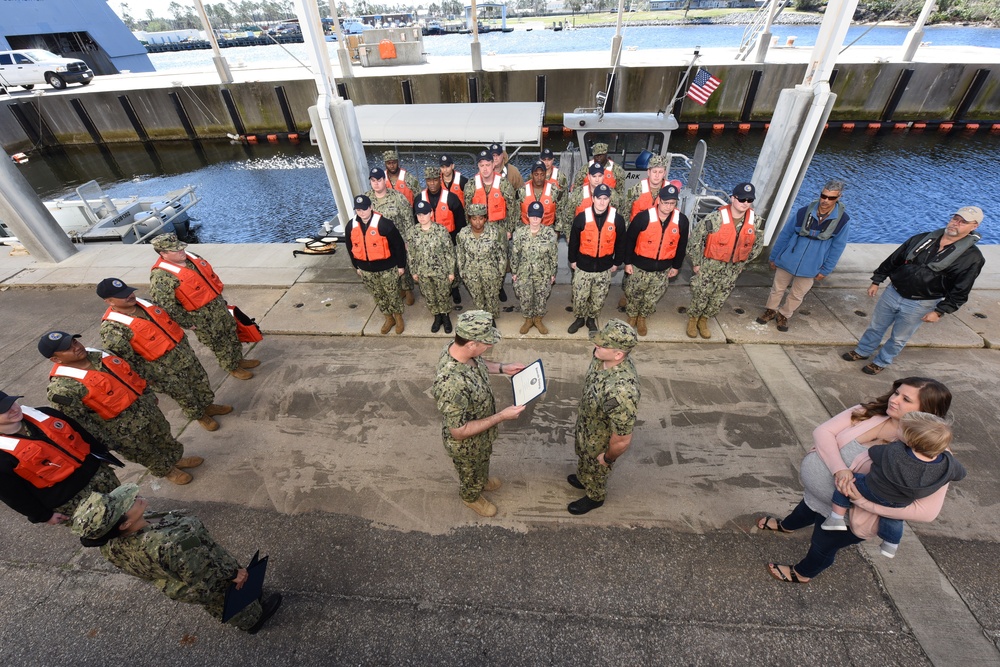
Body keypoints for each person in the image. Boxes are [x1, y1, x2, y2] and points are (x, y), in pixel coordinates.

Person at [757, 377, 953, 583]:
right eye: (896, 393)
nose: (894, 400)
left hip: (848, 518)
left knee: (822, 545)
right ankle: (787, 526)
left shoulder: (933, 454)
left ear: (926, 410)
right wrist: (839, 469)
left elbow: (927, 512)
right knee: (803, 511)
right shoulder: (873, 411)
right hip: (816, 496)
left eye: (906, 399)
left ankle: (803, 573)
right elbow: (823, 431)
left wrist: (864, 503)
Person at [72, 484, 283, 633]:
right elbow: (205, 575)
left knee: (224, 597)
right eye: (129, 504)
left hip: (175, 579)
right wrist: (234, 574)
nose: (135, 497)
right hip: (203, 578)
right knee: (227, 598)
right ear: (124, 524)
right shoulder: (171, 542)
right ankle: (253, 621)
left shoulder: (109, 543)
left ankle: (248, 603)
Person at [41, 331, 203, 485]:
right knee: (145, 452)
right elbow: (81, 423)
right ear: (56, 360)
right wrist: (108, 441)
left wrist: (147, 395)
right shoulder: (61, 389)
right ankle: (167, 470)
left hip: (145, 409)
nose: (76, 347)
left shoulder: (102, 354)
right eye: (68, 348)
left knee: (164, 435)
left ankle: (176, 458)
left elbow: (130, 374)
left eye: (74, 341)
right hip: (123, 431)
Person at [842, 206, 985, 375]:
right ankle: (863, 351)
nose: (956, 223)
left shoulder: (972, 258)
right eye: (955, 218)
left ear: (974, 226)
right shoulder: (922, 238)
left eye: (963, 222)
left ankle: (881, 361)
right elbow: (895, 259)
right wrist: (877, 280)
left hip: (921, 303)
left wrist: (940, 311)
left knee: (899, 338)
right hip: (893, 292)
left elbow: (961, 290)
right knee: (875, 326)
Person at [821, 411, 965, 558]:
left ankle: (836, 517)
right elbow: (961, 474)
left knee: (848, 482)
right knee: (894, 518)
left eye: (900, 430)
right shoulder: (949, 464)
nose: (897, 430)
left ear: (910, 441)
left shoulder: (895, 451)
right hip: (900, 502)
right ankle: (890, 544)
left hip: (872, 490)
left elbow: (874, 453)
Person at [98, 278, 232, 432]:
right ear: (109, 301)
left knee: (200, 382)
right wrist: (149, 380)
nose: (130, 296)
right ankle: (200, 415)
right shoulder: (112, 329)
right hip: (163, 371)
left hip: (183, 355)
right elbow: (126, 362)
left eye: (129, 292)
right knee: (185, 395)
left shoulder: (146, 304)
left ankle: (208, 406)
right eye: (122, 295)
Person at [432, 311, 526, 517]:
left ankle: (481, 480)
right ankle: (471, 495)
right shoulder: (451, 384)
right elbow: (458, 431)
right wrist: (501, 416)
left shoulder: (458, 348)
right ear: (471, 343)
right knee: (470, 472)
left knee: (483, 462)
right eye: (487, 342)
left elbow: (479, 365)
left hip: (481, 433)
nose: (490, 346)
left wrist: (503, 368)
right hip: (466, 445)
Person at [0, 390, 123, 526]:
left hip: (100, 476)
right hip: (74, 501)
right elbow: (13, 495)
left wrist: (102, 454)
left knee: (127, 508)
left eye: (11, 402)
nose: (13, 409)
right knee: (107, 529)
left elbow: (81, 434)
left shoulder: (45, 413)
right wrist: (44, 516)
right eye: (4, 410)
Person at [148, 233, 260, 381]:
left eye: (181, 247)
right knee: (219, 343)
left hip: (218, 306)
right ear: (163, 253)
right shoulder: (161, 277)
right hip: (201, 318)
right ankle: (231, 367)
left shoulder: (191, 258)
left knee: (231, 334)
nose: (181, 251)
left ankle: (238, 359)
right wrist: (188, 323)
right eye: (175, 250)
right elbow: (166, 306)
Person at [568, 319, 641, 515]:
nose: (596, 345)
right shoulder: (602, 358)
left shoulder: (622, 391)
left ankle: (594, 496)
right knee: (584, 458)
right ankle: (584, 478)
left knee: (597, 468)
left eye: (602, 344)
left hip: (600, 441)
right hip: (588, 425)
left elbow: (622, 439)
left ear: (619, 354)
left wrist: (607, 458)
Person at [757, 180, 851, 332]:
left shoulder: (843, 221)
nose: (825, 200)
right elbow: (785, 234)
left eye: (831, 198)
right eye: (823, 196)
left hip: (811, 266)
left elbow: (838, 247)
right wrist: (774, 257)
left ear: (839, 197)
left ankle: (784, 315)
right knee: (777, 289)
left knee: (797, 295)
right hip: (788, 260)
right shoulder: (803, 212)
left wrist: (826, 269)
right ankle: (770, 310)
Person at [684, 182, 765, 339]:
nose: (745, 203)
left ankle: (704, 320)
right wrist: (697, 263)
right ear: (733, 198)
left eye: (749, 200)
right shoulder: (715, 218)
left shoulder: (756, 222)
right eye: (742, 199)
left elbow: (757, 246)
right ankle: (693, 319)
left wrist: (742, 262)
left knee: (719, 298)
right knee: (701, 294)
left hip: (732, 269)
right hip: (709, 265)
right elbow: (695, 240)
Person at [622, 184, 690, 336]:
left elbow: (681, 245)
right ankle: (632, 315)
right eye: (666, 202)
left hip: (663, 269)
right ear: (659, 200)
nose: (668, 206)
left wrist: (676, 266)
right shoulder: (643, 217)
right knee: (634, 293)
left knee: (652, 296)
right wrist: (627, 262)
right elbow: (629, 240)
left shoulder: (682, 221)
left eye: (672, 203)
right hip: (640, 266)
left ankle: (642, 317)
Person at [567, 184, 627, 334]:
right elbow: (574, 241)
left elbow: (621, 243)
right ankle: (580, 318)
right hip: (583, 265)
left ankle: (592, 319)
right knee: (580, 296)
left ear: (609, 199)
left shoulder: (617, 220)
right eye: (598, 198)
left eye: (605, 198)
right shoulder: (582, 218)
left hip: (604, 267)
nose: (601, 202)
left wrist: (617, 262)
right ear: (593, 198)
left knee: (598, 297)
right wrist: (572, 260)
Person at [345, 194, 408, 335]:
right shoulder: (351, 225)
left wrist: (401, 266)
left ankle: (398, 318)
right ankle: (388, 318)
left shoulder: (385, 224)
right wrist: (356, 266)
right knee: (378, 295)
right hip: (366, 270)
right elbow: (350, 247)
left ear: (371, 207)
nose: (361, 212)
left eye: (364, 209)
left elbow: (398, 245)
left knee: (393, 294)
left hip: (387, 269)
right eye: (358, 210)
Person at [366, 166, 417, 306]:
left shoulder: (398, 197)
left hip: (398, 240)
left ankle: (408, 290)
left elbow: (408, 220)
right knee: (388, 268)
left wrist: (408, 240)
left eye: (379, 180)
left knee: (403, 266)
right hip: (378, 241)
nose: (376, 183)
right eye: (373, 180)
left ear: (385, 180)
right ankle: (397, 289)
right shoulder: (367, 200)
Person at [511, 201, 558, 335]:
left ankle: (538, 320)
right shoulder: (520, 233)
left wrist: (553, 273)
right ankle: (528, 320)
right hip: (524, 272)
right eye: (532, 216)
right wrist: (514, 272)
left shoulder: (549, 234)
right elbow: (515, 254)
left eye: (538, 216)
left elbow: (553, 255)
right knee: (525, 298)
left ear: (542, 215)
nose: (535, 219)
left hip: (543, 273)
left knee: (541, 298)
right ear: (527, 215)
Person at [410, 200, 456, 334]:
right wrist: (413, 271)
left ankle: (446, 317)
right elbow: (411, 254)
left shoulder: (441, 230)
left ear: (431, 213)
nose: (422, 217)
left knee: (443, 295)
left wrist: (450, 272)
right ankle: (437, 317)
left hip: (440, 272)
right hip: (423, 272)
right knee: (429, 296)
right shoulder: (413, 232)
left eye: (424, 214)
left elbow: (449, 253)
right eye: (419, 215)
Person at [456, 204, 507, 323]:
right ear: (469, 219)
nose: (477, 222)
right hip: (471, 273)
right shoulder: (463, 234)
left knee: (492, 297)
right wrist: (463, 272)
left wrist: (500, 273)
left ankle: (491, 318)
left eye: (480, 218)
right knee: (477, 297)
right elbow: (460, 254)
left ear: (485, 218)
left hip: (491, 272)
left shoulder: (495, 233)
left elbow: (502, 255)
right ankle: (482, 317)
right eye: (474, 218)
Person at [464, 149, 519, 238]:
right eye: (482, 165)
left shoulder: (504, 184)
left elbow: (512, 208)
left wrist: (509, 230)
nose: (485, 169)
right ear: (478, 166)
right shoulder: (471, 185)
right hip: (479, 230)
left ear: (493, 164)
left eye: (488, 165)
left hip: (500, 231)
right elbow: (467, 210)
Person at [559, 163, 621, 240]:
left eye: (600, 176)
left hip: (605, 241)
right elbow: (568, 218)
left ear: (604, 176)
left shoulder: (613, 195)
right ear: (589, 177)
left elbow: (619, 219)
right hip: (582, 241)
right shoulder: (578, 194)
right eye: (594, 176)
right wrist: (570, 239)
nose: (597, 180)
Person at [418, 165, 466, 244]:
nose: (432, 183)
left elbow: (461, 223)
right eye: (429, 180)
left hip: (449, 241)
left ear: (440, 180)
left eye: (435, 180)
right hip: (427, 242)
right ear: (426, 181)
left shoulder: (452, 198)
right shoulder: (420, 199)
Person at [624, 154, 668, 221]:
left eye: (660, 172)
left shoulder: (669, 191)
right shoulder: (633, 190)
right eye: (654, 171)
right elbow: (625, 211)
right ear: (648, 172)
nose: (657, 175)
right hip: (637, 229)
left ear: (664, 173)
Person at [519, 161, 557, 228]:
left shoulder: (554, 190)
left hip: (548, 230)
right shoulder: (522, 190)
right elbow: (517, 213)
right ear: (531, 175)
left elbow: (560, 211)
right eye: (536, 174)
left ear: (545, 175)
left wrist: (557, 231)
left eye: (542, 174)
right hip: (526, 230)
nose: (539, 178)